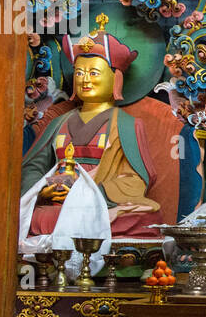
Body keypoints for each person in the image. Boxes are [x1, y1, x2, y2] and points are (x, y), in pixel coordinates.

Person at [20, 14, 163, 237]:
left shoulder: (127, 125)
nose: (85, 80)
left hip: (101, 203)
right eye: (79, 73)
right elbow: (31, 167)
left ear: (116, 79)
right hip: (59, 205)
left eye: (94, 73)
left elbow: (137, 180)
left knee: (145, 219)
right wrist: (46, 190)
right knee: (33, 217)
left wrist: (87, 192)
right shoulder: (59, 124)